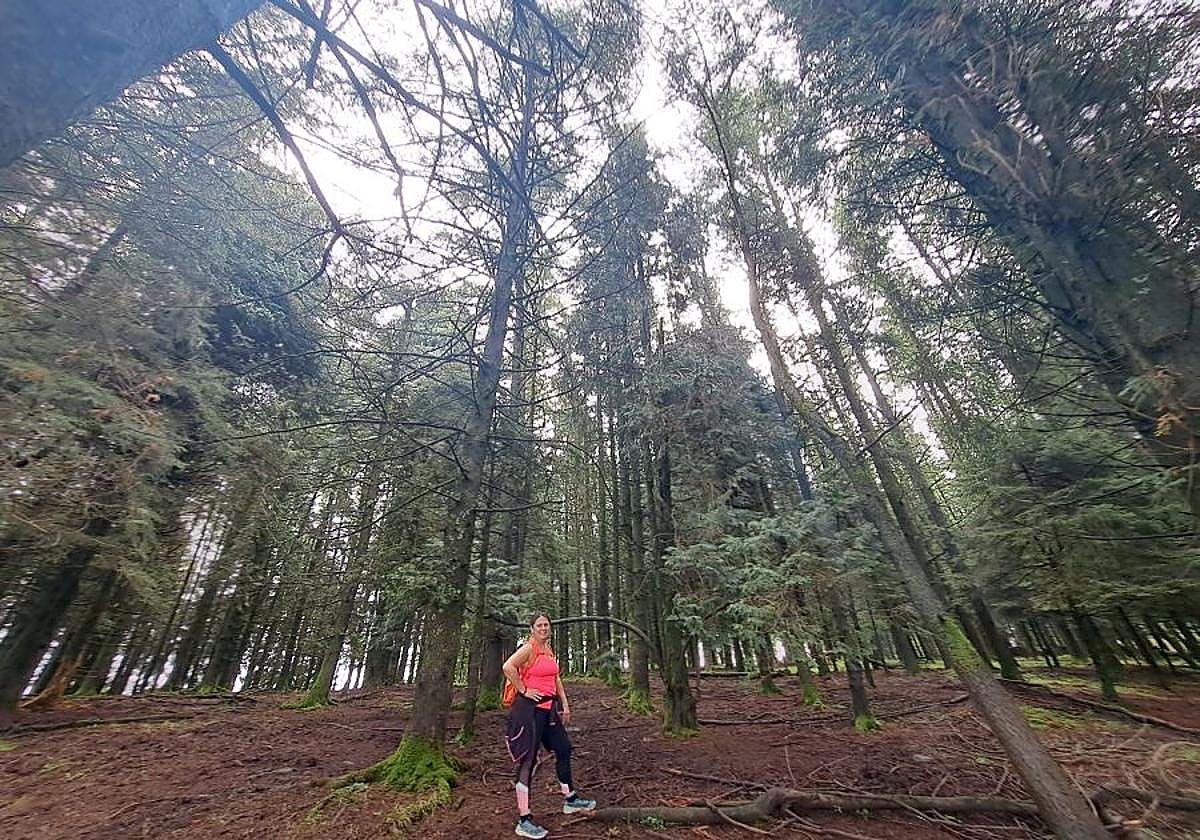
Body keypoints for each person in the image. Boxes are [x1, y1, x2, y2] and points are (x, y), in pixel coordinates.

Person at [503, 613, 596, 838]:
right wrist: (524, 690)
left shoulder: (548, 650)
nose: (544, 628)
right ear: (532, 629)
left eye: (546, 625)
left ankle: (570, 799)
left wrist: (565, 704)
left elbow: (555, 679)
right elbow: (508, 666)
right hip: (530, 712)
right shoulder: (529, 648)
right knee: (528, 761)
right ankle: (524, 819)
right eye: (539, 625)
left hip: (549, 711)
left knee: (563, 748)